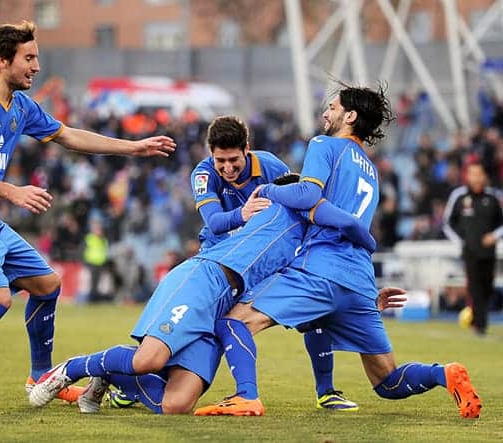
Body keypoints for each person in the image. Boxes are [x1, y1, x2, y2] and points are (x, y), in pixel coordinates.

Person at [0, 20, 175, 413]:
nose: (36, 66)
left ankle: (40, 377)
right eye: (29, 58)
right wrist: (13, 192)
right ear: (3, 60)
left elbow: (68, 135)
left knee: (48, 285)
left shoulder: (20, 106)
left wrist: (132, 148)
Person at [194, 83, 482, 419]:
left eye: (332, 107)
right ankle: (443, 373)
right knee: (387, 380)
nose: (325, 112)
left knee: (232, 323)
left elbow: (305, 196)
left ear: (350, 115)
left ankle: (246, 397)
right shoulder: (371, 171)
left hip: (320, 268)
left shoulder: (324, 145)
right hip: (359, 279)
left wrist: (268, 189)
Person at [28, 172, 378, 414]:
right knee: (148, 360)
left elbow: (316, 297)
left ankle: (110, 375)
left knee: (176, 404)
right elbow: (342, 219)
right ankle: (69, 369)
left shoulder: (309, 242)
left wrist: (365, 296)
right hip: (205, 279)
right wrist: (369, 244)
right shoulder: (289, 202)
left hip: (225, 304)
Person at [191, 115, 358, 410]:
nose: (227, 168)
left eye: (233, 160)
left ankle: (327, 391)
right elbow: (215, 222)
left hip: (264, 259)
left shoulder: (272, 167)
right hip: (220, 260)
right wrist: (243, 214)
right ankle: (137, 383)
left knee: (314, 314)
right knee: (191, 325)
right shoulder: (203, 174)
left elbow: (299, 206)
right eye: (221, 161)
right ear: (211, 154)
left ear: (246, 149)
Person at [442, 162, 503, 336]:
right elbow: (447, 223)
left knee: (487, 287)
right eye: (472, 174)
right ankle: (479, 325)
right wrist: (461, 242)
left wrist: (494, 236)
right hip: (470, 251)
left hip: (489, 252)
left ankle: (479, 321)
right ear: (467, 176)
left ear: (484, 176)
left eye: (479, 174)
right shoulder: (459, 196)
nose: (476, 178)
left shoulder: (493, 197)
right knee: (475, 287)